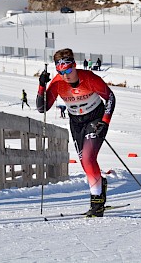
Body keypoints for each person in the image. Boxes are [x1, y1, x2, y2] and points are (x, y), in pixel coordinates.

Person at [36, 48, 116, 217]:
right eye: (61, 71)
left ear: (74, 65)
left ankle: (96, 203)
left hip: (95, 118)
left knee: (88, 158)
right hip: (76, 123)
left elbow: (110, 98)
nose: (65, 75)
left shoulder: (90, 79)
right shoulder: (58, 83)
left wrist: (105, 122)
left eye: (68, 70)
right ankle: (100, 186)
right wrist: (42, 86)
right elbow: (42, 108)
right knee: (85, 163)